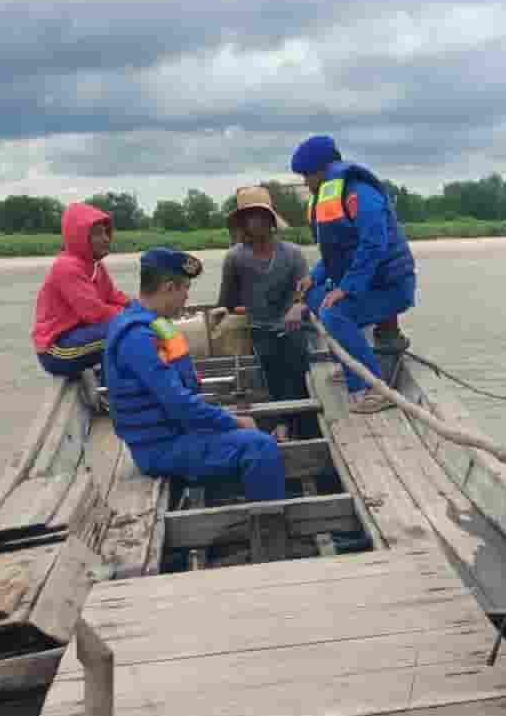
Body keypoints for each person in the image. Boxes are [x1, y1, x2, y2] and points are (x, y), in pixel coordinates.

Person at [103, 246, 286, 502]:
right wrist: (233, 422)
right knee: (261, 447)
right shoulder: (139, 337)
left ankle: (230, 504)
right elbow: (179, 403)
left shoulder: (151, 322)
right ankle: (269, 523)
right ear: (169, 288)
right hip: (160, 448)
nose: (187, 298)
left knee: (246, 432)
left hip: (174, 434)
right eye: (185, 289)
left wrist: (229, 420)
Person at [286, 135, 417, 413]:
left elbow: (374, 244)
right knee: (313, 295)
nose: (306, 183)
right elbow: (338, 251)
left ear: (322, 169)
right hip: (366, 285)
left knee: (335, 314)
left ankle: (376, 388)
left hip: (390, 286)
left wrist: (346, 288)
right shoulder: (331, 195)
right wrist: (314, 277)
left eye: (307, 175)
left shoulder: (359, 192)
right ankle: (352, 367)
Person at [214, 186, 312, 407]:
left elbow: (306, 293)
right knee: (270, 380)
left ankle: (299, 417)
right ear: (243, 223)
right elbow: (226, 302)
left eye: (260, 215)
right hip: (259, 332)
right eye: (250, 217)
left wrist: (298, 306)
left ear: (271, 219)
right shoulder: (235, 258)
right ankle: (280, 417)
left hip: (293, 330)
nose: (256, 222)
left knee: (299, 381)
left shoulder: (293, 254)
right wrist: (224, 315)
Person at [31, 202, 131, 376]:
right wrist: (130, 315)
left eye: (106, 232)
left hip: (80, 334)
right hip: (57, 347)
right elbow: (94, 313)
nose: (106, 238)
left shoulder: (95, 264)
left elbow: (112, 295)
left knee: (129, 326)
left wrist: (138, 307)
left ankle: (112, 382)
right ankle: (116, 389)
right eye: (98, 234)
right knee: (124, 330)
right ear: (79, 237)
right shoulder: (67, 267)